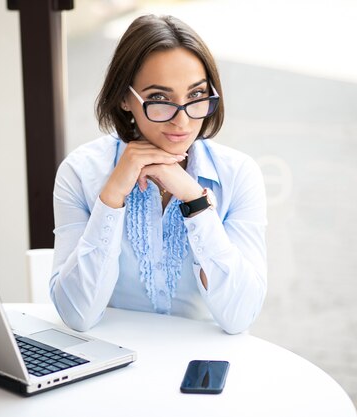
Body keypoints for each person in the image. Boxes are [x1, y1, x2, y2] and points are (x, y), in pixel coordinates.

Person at [50, 14, 267, 335]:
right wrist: (111, 197)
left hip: (203, 365)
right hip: (112, 360)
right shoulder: (80, 172)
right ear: (125, 98)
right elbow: (77, 314)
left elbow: (240, 316)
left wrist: (195, 201)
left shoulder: (238, 174)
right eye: (160, 100)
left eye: (195, 96)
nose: (182, 122)